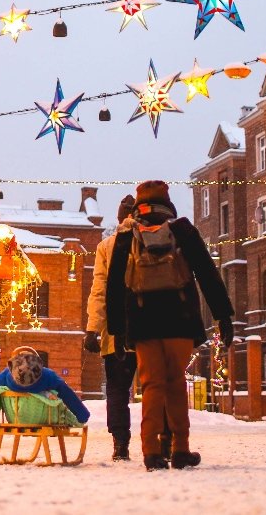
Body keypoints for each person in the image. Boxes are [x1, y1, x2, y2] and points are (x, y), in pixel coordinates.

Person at [106, 180, 235, 471]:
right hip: (180, 320)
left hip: (142, 322)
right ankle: (180, 449)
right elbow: (206, 272)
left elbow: (114, 285)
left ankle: (151, 452)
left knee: (151, 385)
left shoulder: (127, 235)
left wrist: (117, 331)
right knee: (176, 382)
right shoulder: (182, 230)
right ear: (167, 202)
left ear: (139, 205)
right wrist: (223, 316)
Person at [85, 194, 170, 461]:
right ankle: (161, 439)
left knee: (118, 389)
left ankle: (120, 443)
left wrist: (92, 328)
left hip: (116, 330)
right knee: (155, 385)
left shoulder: (108, 246)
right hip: (150, 325)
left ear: (119, 218)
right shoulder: (154, 240)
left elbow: (100, 289)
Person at [0, 346, 91, 425]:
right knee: (57, 395)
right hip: (42, 418)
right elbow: (67, 393)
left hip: (15, 417)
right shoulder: (47, 375)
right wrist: (82, 414)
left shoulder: (7, 374)